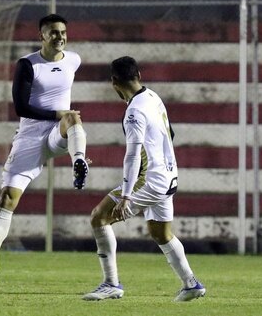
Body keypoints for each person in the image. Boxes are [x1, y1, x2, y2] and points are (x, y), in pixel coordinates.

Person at [0, 13, 89, 285]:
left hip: (58, 133)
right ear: (42, 36)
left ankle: (79, 162)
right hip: (30, 135)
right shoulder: (27, 64)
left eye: (62, 32)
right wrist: (57, 113)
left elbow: (65, 113)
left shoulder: (74, 60)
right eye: (53, 32)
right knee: (7, 199)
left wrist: (63, 115)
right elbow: (21, 107)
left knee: (74, 117)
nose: (59, 37)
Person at [81, 56, 205, 302]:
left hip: (150, 179)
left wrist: (126, 195)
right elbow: (171, 133)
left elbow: (133, 154)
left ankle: (111, 283)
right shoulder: (153, 97)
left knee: (99, 217)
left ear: (114, 82)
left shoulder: (134, 111)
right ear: (139, 75)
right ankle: (191, 284)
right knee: (161, 233)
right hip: (168, 176)